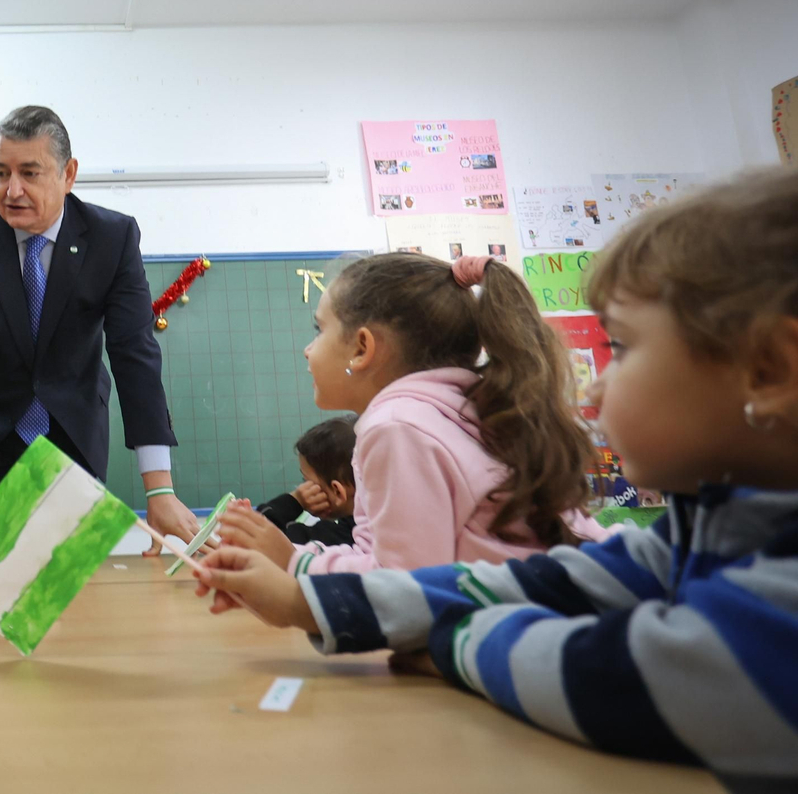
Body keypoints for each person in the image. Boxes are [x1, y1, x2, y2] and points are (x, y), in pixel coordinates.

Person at [194, 167, 798, 774]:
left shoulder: (397, 420)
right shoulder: (700, 533)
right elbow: (526, 585)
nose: (601, 383)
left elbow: (632, 677)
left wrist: (449, 642)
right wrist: (306, 601)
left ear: (769, 369)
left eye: (623, 347)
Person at [0, 105, 197, 562]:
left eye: (29, 173)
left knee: (65, 594)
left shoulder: (112, 238)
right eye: (1, 173)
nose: (11, 190)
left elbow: (134, 354)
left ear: (68, 173)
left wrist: (161, 490)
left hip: (72, 442)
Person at [221, 251, 610, 575]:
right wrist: (295, 554)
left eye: (318, 329)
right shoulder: (451, 410)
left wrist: (293, 562)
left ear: (361, 348)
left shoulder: (396, 427)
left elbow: (407, 589)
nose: (308, 349)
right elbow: (382, 558)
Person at [252, 416, 358, 549]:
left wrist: (295, 501)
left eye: (307, 481)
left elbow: (252, 533)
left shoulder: (324, 541)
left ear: (337, 491)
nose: (303, 488)